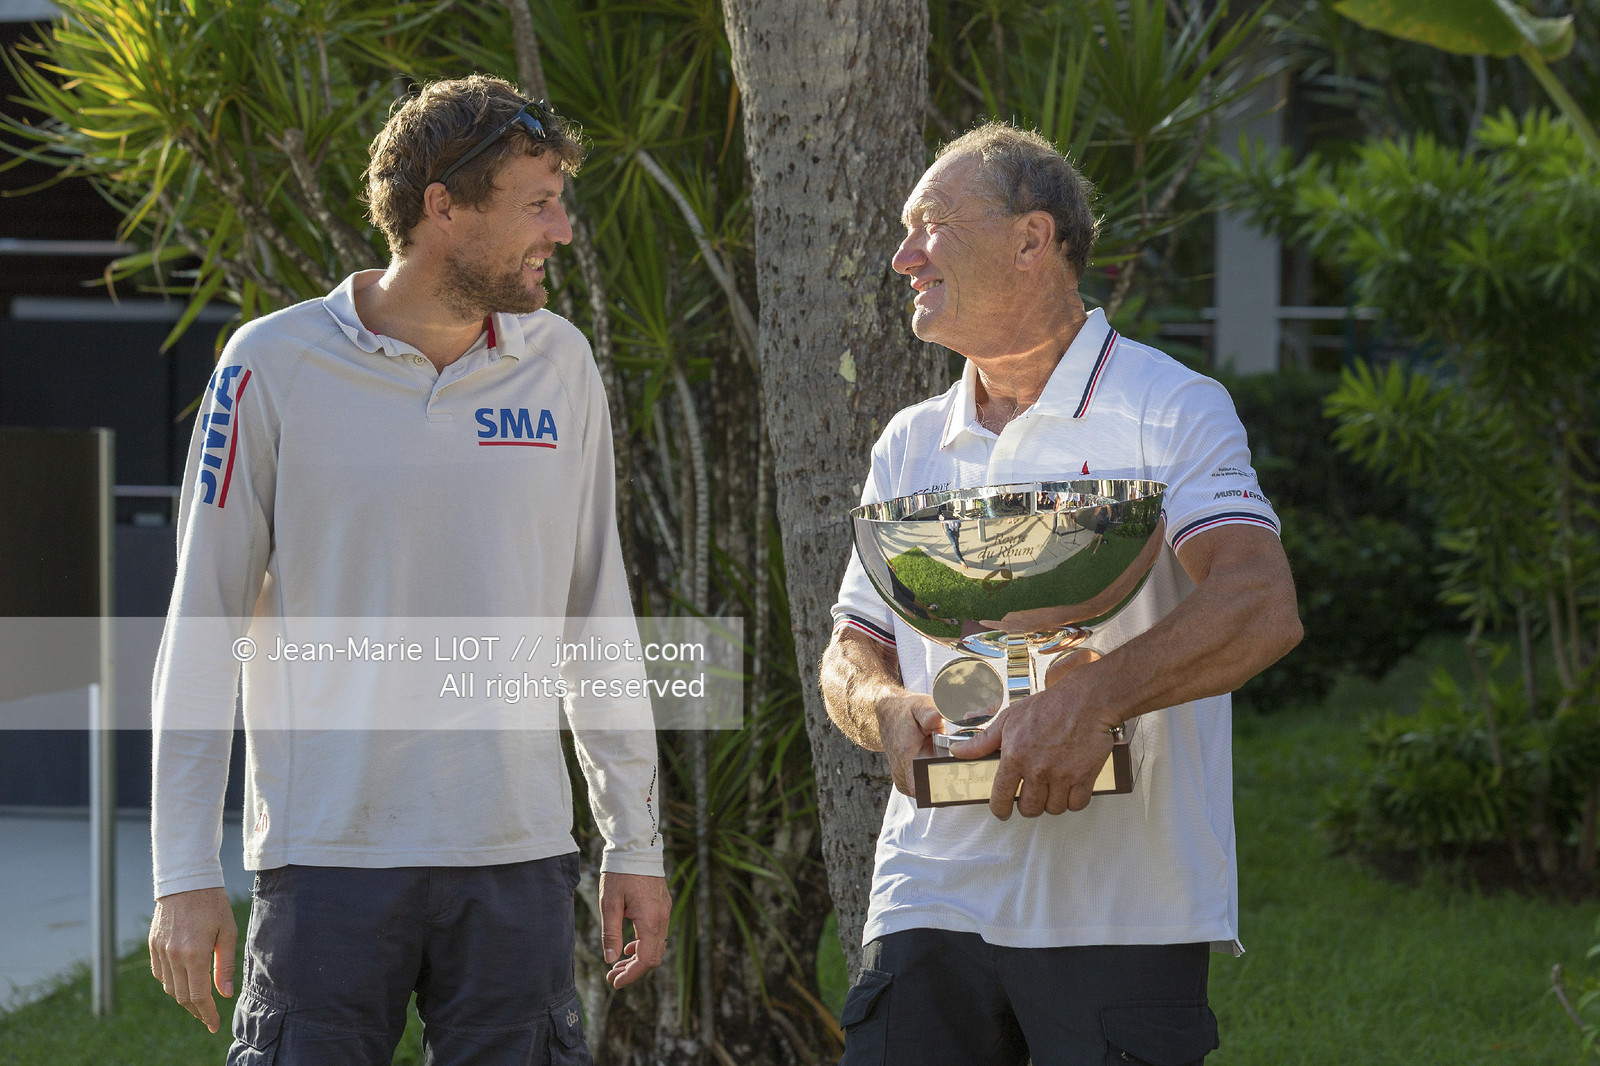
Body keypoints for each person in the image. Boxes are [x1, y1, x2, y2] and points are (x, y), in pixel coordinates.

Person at [147, 75, 669, 1066]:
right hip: (327, 859)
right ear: (443, 207)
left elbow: (596, 619)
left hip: (516, 856)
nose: (561, 231)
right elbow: (201, 627)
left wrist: (633, 840)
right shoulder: (269, 365)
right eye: (537, 204)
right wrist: (183, 869)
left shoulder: (561, 364)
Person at [820, 123, 1302, 1065]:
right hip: (927, 892)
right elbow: (853, 647)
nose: (904, 256)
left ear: (1031, 239)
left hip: (1121, 906)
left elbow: (1258, 604)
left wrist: (1089, 702)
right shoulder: (909, 442)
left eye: (930, 225)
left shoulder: (1171, 405)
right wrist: (884, 710)